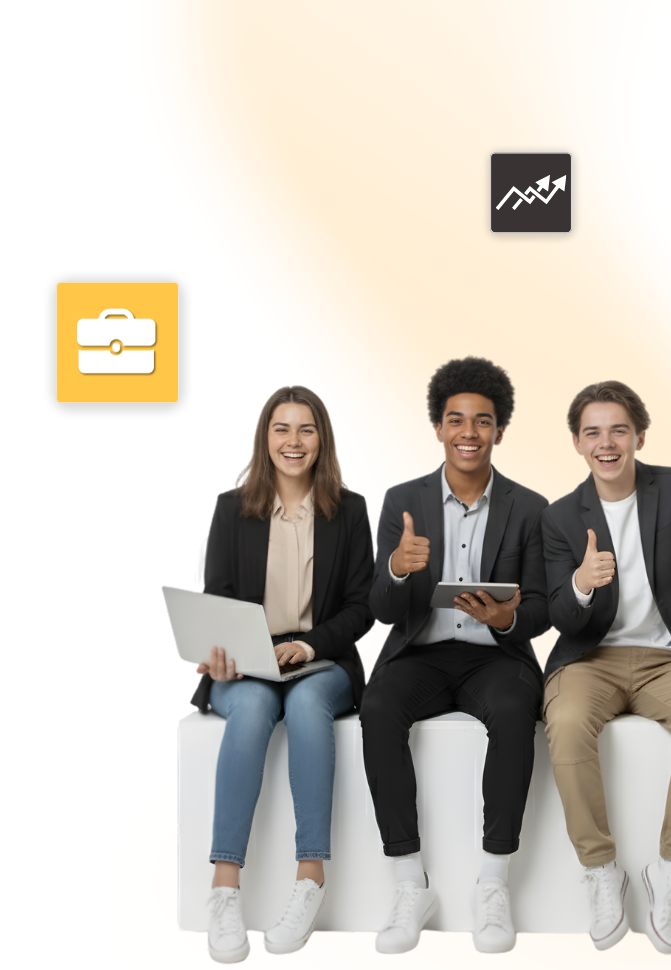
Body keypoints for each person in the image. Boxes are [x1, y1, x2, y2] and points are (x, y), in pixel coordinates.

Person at [540, 381, 671, 954]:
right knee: (563, 724)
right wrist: (581, 585)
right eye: (593, 432)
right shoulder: (560, 516)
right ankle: (600, 870)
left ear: (639, 435)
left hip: (669, 658)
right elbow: (558, 613)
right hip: (590, 659)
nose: (606, 443)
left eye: (618, 430)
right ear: (576, 443)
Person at [360, 357, 549, 954]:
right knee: (379, 706)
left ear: (499, 430)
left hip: (495, 657)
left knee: (517, 713)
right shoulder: (402, 500)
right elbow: (382, 608)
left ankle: (494, 882)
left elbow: (542, 606)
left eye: (483, 421)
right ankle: (410, 881)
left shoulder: (529, 506)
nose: (469, 432)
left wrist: (507, 616)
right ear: (438, 428)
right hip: (421, 652)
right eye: (456, 420)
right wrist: (396, 567)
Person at [193, 386, 375, 963]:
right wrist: (220, 650)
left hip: (320, 658)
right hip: (249, 661)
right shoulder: (232, 507)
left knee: (303, 707)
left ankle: (309, 878)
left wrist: (309, 644)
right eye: (281, 429)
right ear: (264, 437)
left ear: (322, 439)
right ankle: (224, 891)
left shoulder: (350, 510)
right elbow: (216, 597)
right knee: (250, 708)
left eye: (305, 430)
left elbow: (361, 605)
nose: (293, 442)